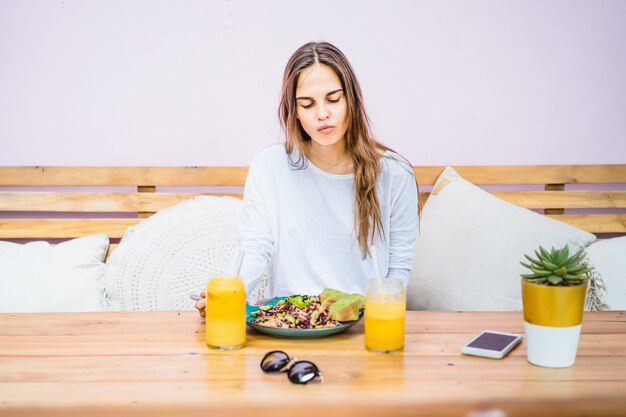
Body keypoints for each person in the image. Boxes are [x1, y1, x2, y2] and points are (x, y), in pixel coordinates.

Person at [196, 41, 418, 317]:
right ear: (294, 110)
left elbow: (399, 267)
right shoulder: (269, 166)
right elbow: (254, 245)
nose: (322, 114)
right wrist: (227, 291)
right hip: (288, 321)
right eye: (307, 104)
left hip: (362, 325)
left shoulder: (395, 173)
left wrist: (381, 313)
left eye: (334, 99)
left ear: (352, 99)